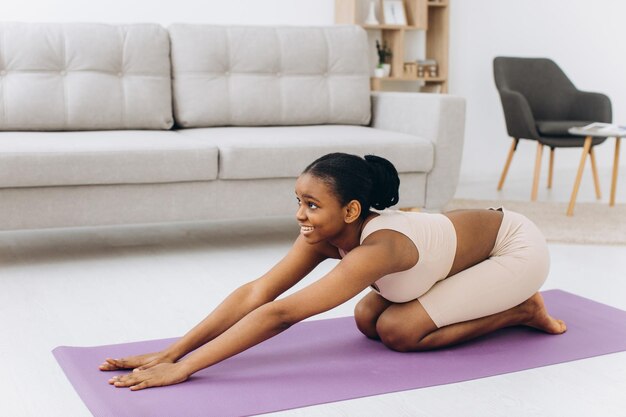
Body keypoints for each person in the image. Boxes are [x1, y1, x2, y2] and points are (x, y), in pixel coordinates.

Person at [100, 152, 566, 391]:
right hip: (453, 255)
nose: (301, 215)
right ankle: (501, 304)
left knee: (400, 330)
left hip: (513, 249)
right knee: (368, 321)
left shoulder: (377, 249)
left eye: (312, 205)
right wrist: (171, 352)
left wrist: (185, 371)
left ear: (352, 211)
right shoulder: (324, 236)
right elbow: (258, 292)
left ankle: (522, 310)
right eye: (298, 202)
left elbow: (283, 315)